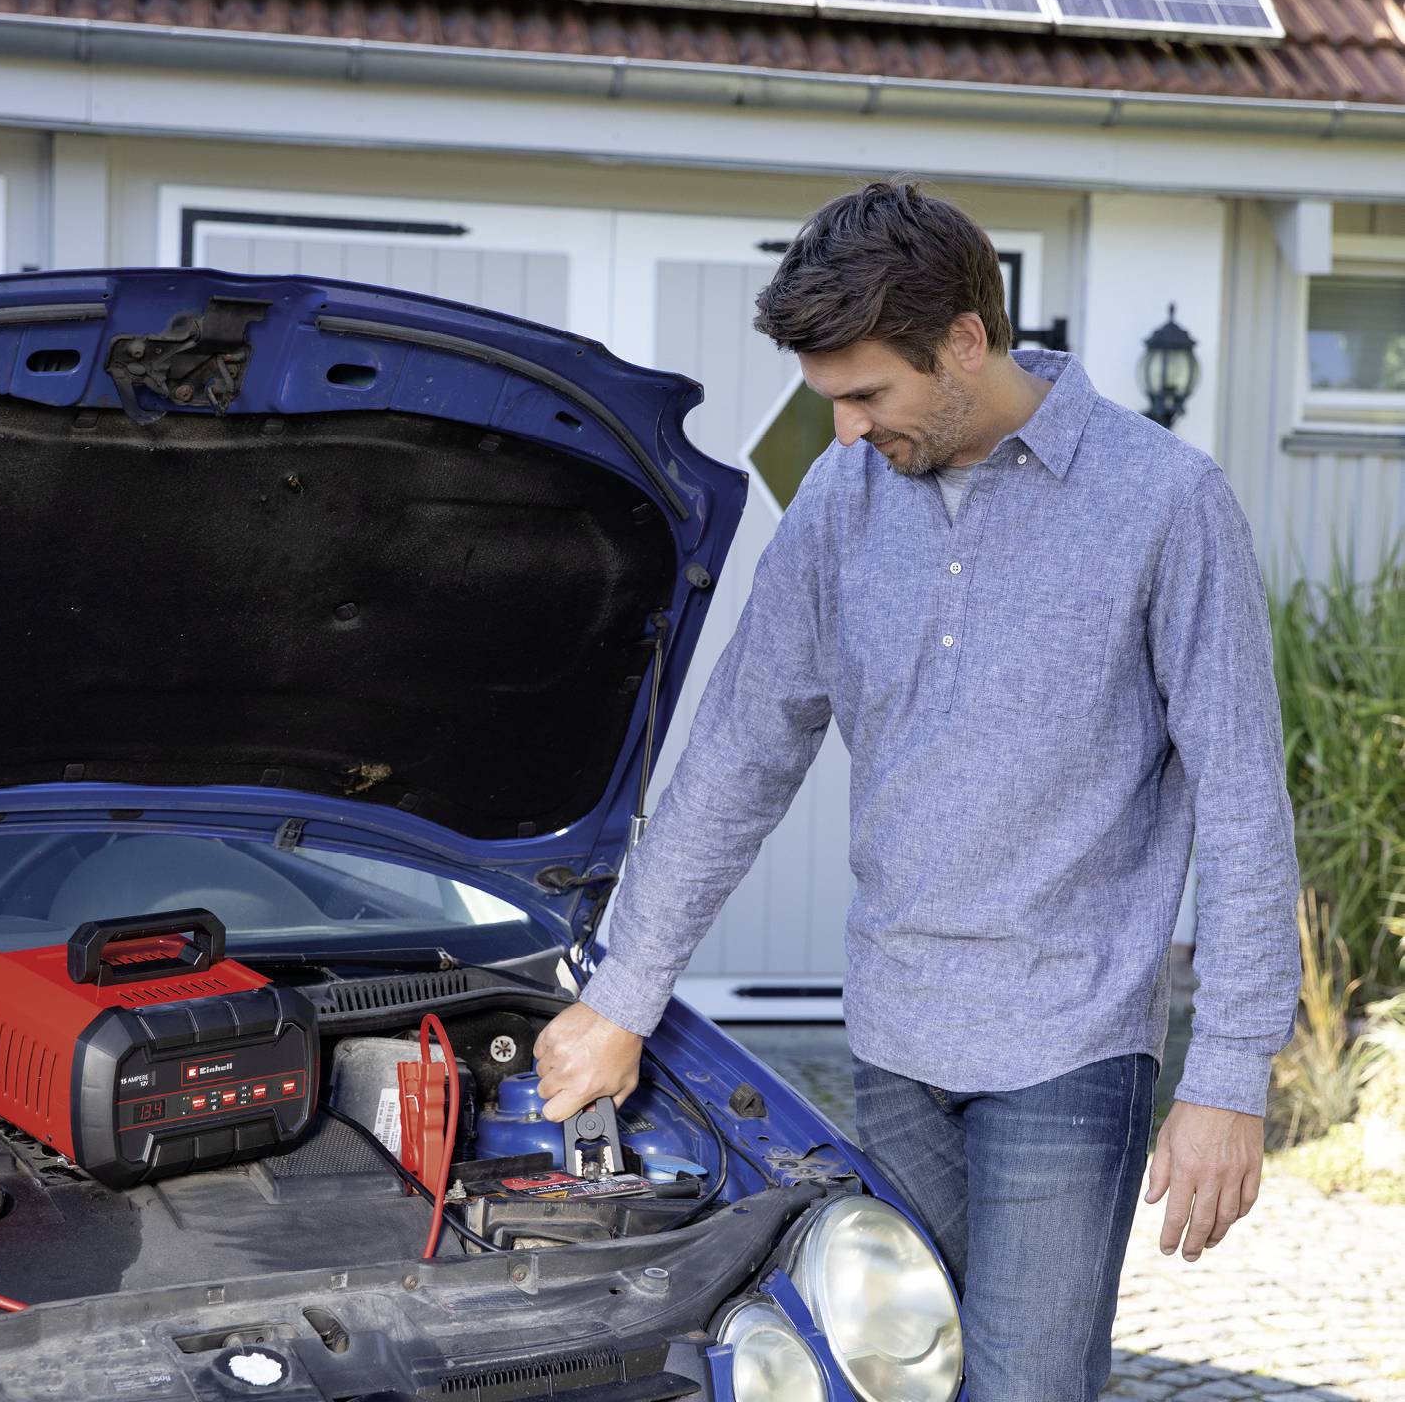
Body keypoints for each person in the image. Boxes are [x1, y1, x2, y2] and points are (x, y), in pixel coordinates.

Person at [532, 179, 1301, 1400]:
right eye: (826, 400)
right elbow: (738, 754)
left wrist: (1227, 1078)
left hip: (1068, 1043)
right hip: (892, 1039)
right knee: (903, 1376)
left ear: (961, 343)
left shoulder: (1162, 502)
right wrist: (625, 991)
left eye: (864, 397)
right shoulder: (841, 503)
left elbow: (1244, 800)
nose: (840, 434)